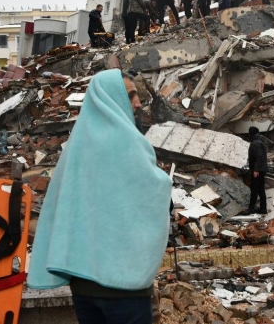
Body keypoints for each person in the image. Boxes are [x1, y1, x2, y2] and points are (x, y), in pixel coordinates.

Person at [28, 69, 172, 324]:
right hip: (123, 287)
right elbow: (156, 189)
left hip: (82, 285)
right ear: (111, 98)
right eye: (130, 96)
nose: (138, 103)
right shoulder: (128, 141)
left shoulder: (77, 146)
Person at [246, 126, 268, 215]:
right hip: (262, 169)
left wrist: (256, 170)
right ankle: (263, 208)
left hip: (258, 170)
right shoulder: (260, 141)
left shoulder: (255, 143)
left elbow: (259, 157)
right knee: (260, 189)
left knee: (254, 189)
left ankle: (251, 209)